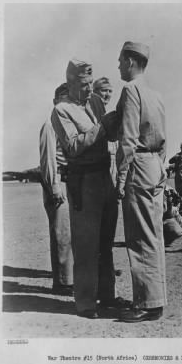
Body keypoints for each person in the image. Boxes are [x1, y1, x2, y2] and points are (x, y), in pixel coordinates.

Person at [51, 59, 125, 319]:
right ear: (70, 83)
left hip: (105, 177)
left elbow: (111, 137)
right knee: (86, 244)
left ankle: (107, 296)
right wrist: (102, 127)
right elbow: (72, 147)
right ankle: (85, 303)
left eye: (90, 84)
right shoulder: (61, 110)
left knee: (105, 242)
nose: (88, 89)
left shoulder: (94, 101)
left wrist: (118, 120)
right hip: (83, 183)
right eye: (83, 85)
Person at [115, 41, 167, 322]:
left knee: (139, 237)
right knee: (154, 235)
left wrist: (121, 178)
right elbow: (164, 140)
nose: (119, 65)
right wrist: (159, 167)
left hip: (138, 165)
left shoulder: (131, 90)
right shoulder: (155, 94)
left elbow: (128, 140)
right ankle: (154, 299)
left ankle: (148, 304)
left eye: (121, 60)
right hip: (156, 165)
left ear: (132, 62)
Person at [39, 83, 73, 295]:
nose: (65, 103)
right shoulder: (50, 125)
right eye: (62, 98)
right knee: (61, 234)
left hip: (72, 181)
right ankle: (62, 282)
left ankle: (69, 278)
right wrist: (54, 185)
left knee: (70, 234)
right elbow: (48, 159)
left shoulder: (68, 125)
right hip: (58, 181)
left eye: (68, 99)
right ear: (55, 102)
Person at [93, 77, 117, 184]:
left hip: (112, 166)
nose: (107, 95)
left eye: (110, 91)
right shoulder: (89, 115)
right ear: (94, 92)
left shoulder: (109, 116)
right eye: (103, 90)